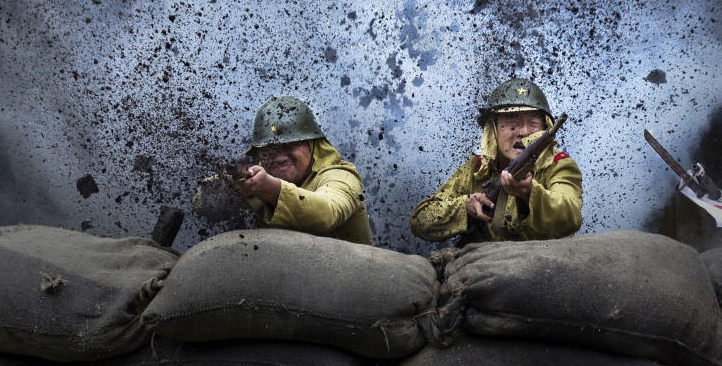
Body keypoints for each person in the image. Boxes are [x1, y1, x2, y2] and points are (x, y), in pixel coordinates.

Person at [410, 78, 582, 242]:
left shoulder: (559, 165)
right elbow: (421, 220)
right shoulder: (476, 169)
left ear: (545, 128)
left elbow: (570, 216)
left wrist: (529, 193)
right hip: (482, 266)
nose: (524, 132)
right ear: (493, 130)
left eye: (534, 123)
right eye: (512, 123)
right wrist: (466, 207)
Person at [195, 96, 374, 245]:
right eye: (270, 149)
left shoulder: (341, 176)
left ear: (312, 144)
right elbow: (200, 201)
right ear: (260, 153)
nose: (280, 157)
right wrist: (231, 187)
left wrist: (271, 189)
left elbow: (328, 213)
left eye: (291, 145)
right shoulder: (255, 175)